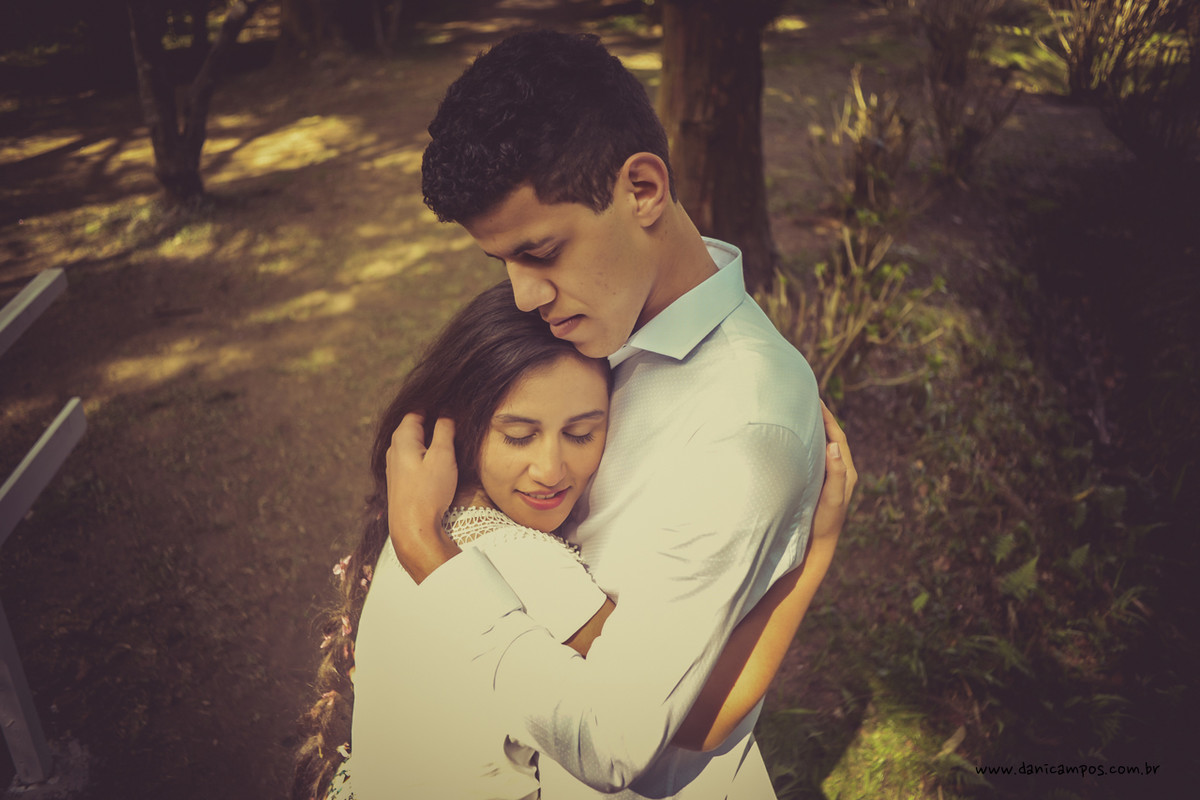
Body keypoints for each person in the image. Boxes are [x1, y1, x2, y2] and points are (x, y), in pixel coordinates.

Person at [384, 30, 858, 800]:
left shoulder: (742, 430)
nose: (523, 296)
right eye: (502, 263)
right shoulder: (593, 313)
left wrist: (428, 555)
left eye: (540, 253)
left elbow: (623, 749)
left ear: (643, 190)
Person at [291, 282, 854, 800]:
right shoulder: (524, 564)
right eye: (518, 435)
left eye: (582, 433)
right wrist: (815, 549)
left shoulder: (436, 512)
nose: (551, 468)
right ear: (456, 426)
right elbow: (696, 719)